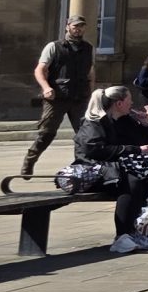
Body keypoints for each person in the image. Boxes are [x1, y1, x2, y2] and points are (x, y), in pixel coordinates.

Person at [76, 84, 148, 254]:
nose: (132, 103)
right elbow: (93, 150)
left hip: (119, 167)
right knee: (132, 183)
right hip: (94, 171)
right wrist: (132, 150)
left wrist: (145, 124)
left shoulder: (125, 120)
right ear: (119, 103)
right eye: (129, 99)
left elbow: (140, 142)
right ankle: (122, 236)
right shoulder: (94, 123)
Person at [21, 17, 95, 174]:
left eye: (82, 26)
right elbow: (39, 69)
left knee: (85, 134)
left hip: (79, 97)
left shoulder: (88, 48)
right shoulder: (54, 47)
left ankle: (81, 166)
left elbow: (90, 72)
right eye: (75, 26)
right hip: (57, 96)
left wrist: (91, 92)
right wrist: (46, 87)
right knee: (46, 133)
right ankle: (30, 160)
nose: (79, 29)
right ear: (67, 27)